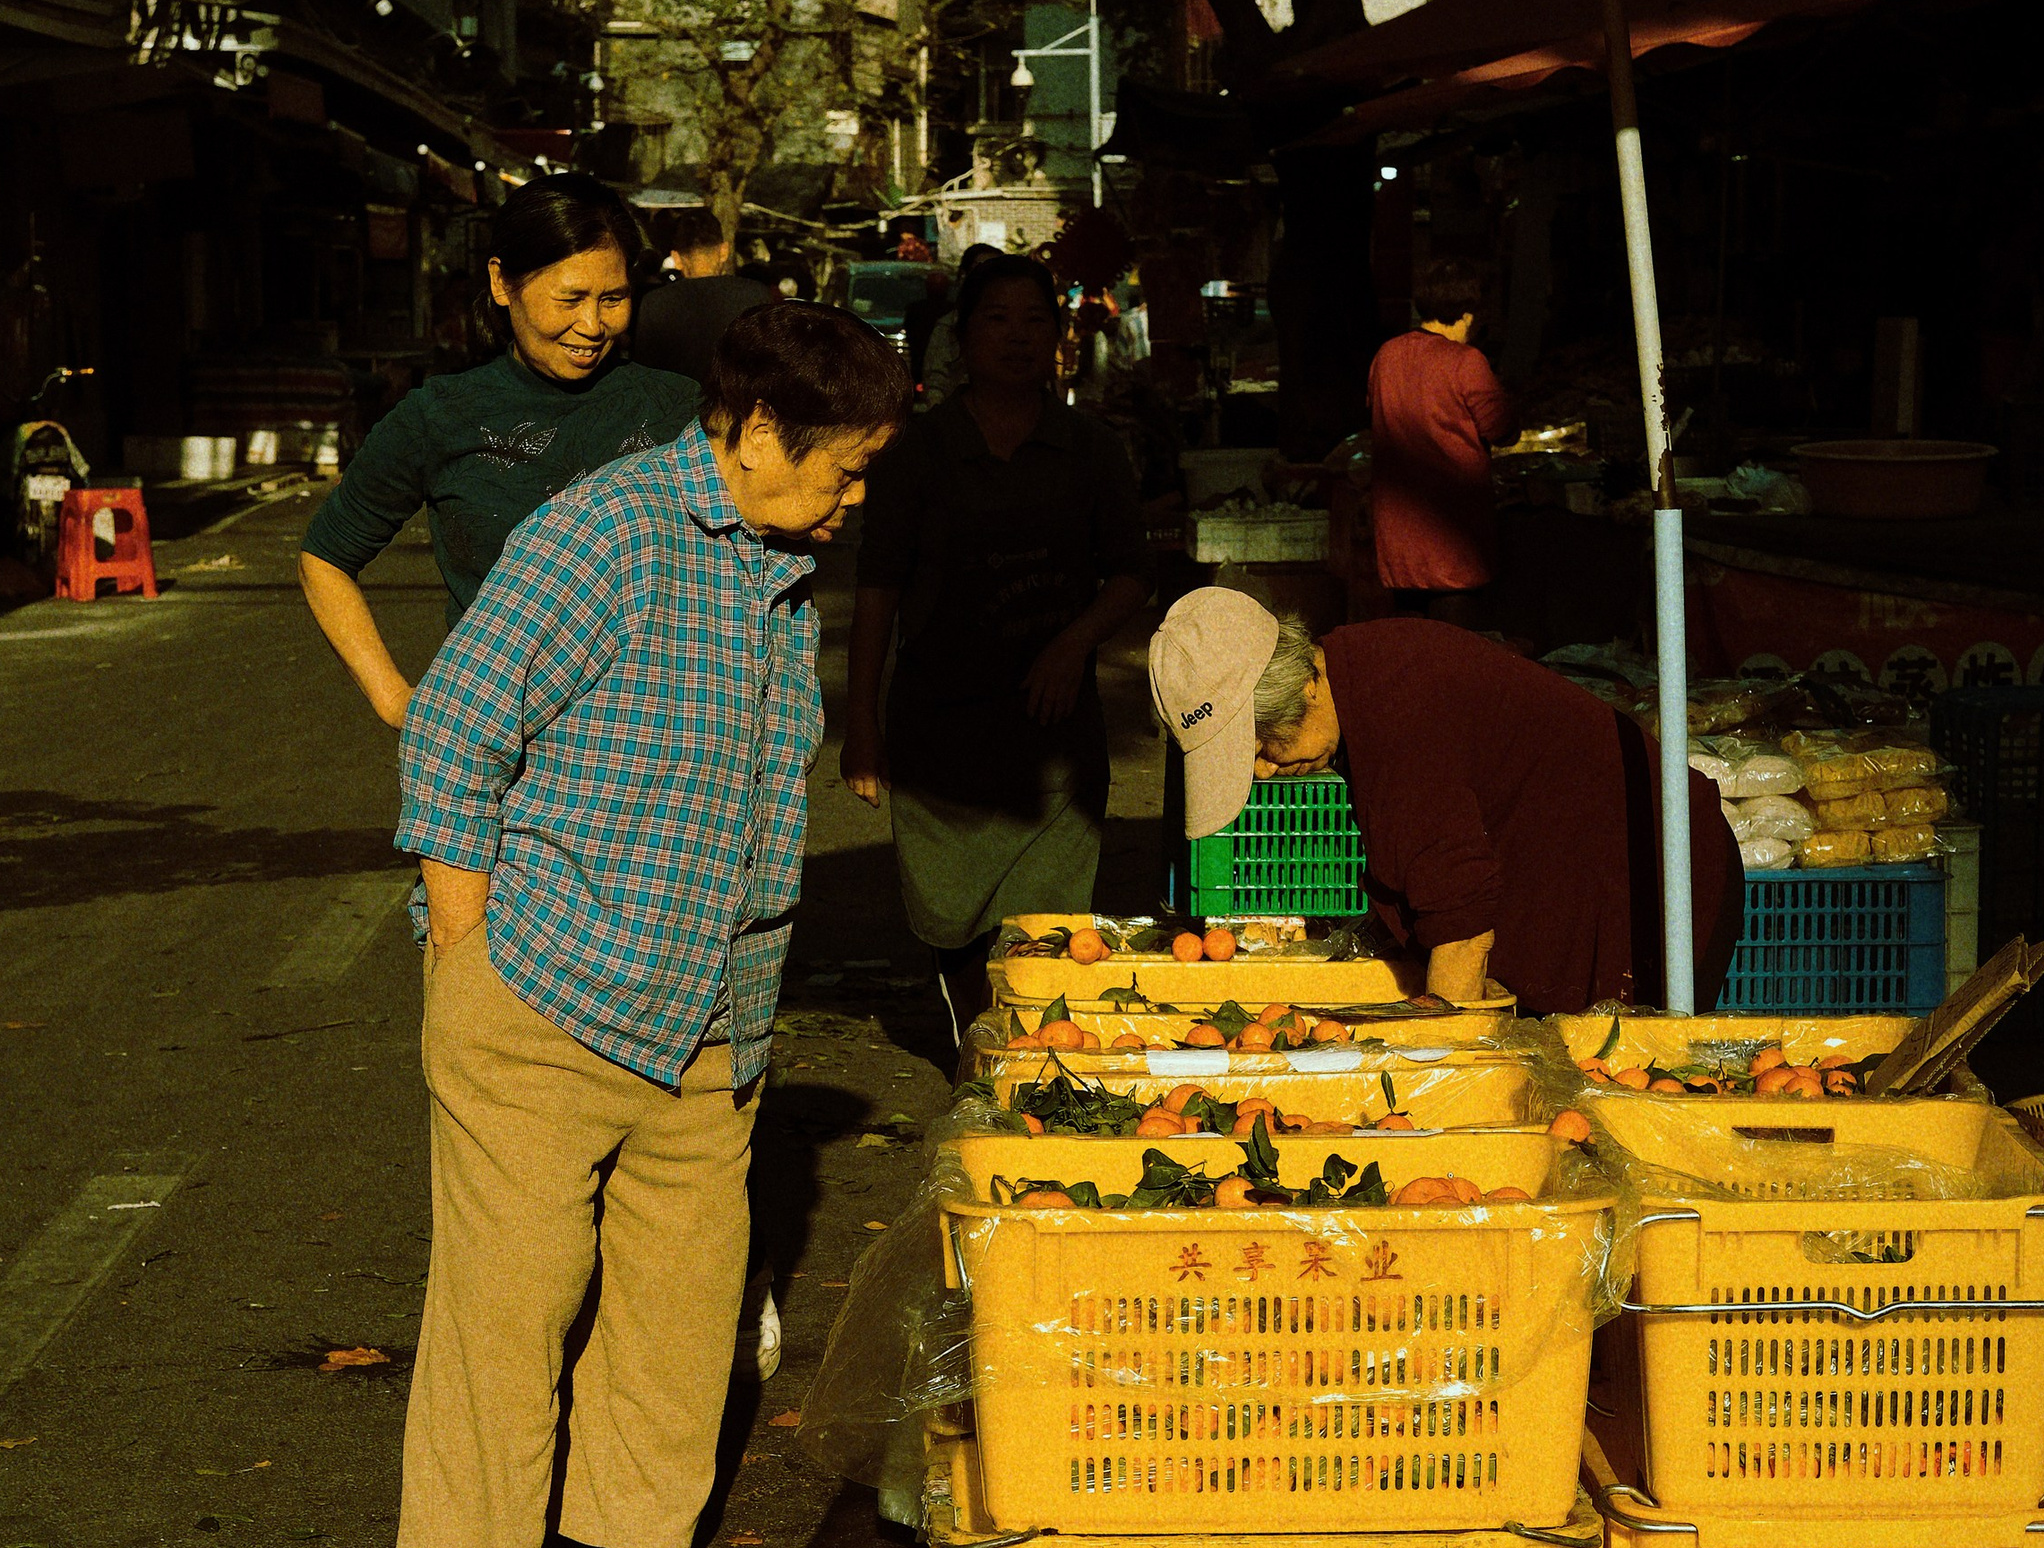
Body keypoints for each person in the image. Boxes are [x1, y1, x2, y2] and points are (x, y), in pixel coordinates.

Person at [393, 302, 910, 1548]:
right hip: (547, 981)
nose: (856, 499)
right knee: (516, 1289)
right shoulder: (605, 533)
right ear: (751, 433)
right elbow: (454, 728)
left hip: (713, 999)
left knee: (685, 1289)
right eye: (845, 467)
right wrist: (465, 943)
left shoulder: (775, 563)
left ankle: (632, 1538)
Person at [1147, 589, 1741, 1015]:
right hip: (1592, 878)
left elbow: (1461, 925)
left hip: (1660, 887)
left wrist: (1435, 1086)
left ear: (1302, 683)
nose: (1261, 768)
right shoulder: (1360, 664)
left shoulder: (1399, 717)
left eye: (1263, 742)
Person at [841, 247, 1151, 1048]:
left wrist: (1072, 644)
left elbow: (1130, 575)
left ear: (1058, 336)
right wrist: (863, 725)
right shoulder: (917, 451)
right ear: (963, 335)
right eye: (997, 318)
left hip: (1055, 741)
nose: (1017, 336)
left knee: (1046, 933)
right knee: (951, 922)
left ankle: (1028, 1068)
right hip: (940, 730)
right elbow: (877, 587)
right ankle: (975, 1046)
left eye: (1034, 320)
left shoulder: (1091, 449)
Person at [296, 181, 696, 722]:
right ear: (502, 283)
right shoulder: (441, 414)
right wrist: (394, 699)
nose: (593, 326)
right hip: (501, 756)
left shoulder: (681, 409)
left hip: (657, 746)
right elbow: (325, 558)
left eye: (613, 298)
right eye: (570, 298)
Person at [1366, 242, 1514, 620]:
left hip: (1398, 542)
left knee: (1412, 657)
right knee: (1455, 658)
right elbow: (1501, 428)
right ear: (1467, 315)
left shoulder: (1386, 357)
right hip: (1453, 540)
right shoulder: (1466, 362)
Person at [628, 207, 775, 386]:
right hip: (737, 409)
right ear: (724, 251)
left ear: (677, 258)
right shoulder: (756, 295)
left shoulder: (655, 303)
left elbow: (644, 373)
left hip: (677, 409)